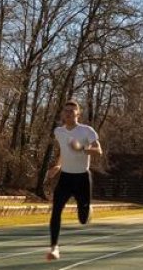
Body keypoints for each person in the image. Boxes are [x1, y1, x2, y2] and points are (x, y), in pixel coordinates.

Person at [46, 99, 102, 261]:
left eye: (72, 111)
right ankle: (54, 248)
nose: (69, 113)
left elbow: (99, 151)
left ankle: (87, 210)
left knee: (83, 220)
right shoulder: (59, 132)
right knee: (56, 211)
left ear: (78, 113)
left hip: (82, 178)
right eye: (66, 110)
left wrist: (82, 148)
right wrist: (57, 166)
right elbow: (63, 152)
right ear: (63, 114)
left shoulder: (87, 131)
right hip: (65, 177)